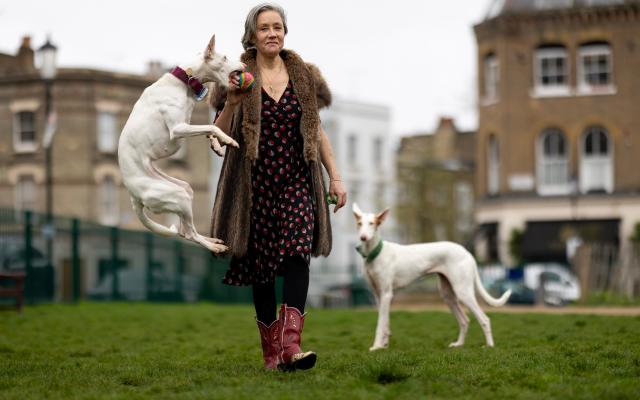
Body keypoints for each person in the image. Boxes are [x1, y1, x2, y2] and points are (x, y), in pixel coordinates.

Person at [209, 2, 347, 371]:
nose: (272, 33)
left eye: (278, 27)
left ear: (285, 32)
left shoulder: (303, 74)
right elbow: (217, 137)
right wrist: (233, 103)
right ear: (252, 35)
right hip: (253, 187)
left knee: (297, 251)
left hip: (297, 180)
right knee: (263, 268)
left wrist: (334, 175)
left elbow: (316, 131)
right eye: (265, 28)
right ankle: (271, 354)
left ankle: (291, 346)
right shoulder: (237, 76)